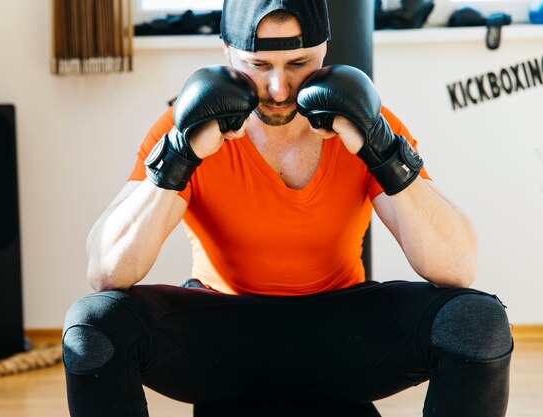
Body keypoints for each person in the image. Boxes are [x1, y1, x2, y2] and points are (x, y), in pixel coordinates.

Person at [63, 1, 513, 416]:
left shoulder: (364, 123)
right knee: (95, 327)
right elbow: (107, 273)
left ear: (324, 51)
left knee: (476, 322)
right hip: (221, 340)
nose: (279, 89)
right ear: (227, 54)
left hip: (342, 338)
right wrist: (181, 155)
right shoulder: (185, 126)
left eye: (299, 64)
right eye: (258, 66)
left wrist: (380, 150)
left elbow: (457, 268)